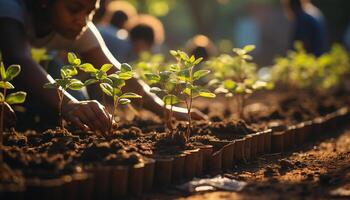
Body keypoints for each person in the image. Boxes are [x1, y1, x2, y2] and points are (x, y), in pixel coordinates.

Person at [0, 0, 204, 133]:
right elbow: (18, 58)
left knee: (79, 105)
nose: (82, 20)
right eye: (73, 9)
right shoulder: (9, 7)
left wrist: (163, 109)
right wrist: (69, 105)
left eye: (89, 12)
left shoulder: (81, 28)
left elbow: (116, 72)